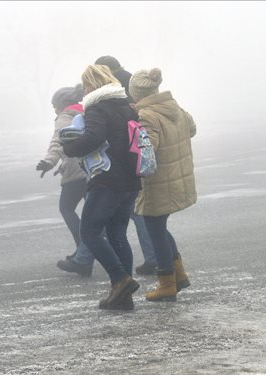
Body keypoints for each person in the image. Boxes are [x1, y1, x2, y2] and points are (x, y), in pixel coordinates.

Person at [62, 65, 141, 310]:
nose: (84, 90)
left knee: (90, 232)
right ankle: (123, 297)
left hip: (106, 179)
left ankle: (120, 280)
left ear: (93, 85)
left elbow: (94, 137)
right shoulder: (126, 106)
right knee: (117, 235)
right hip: (130, 179)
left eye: (86, 85)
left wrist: (70, 148)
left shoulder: (97, 107)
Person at [128, 68, 197, 302]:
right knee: (159, 227)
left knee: (154, 228)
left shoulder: (146, 114)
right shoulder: (173, 106)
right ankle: (179, 275)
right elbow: (193, 128)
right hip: (177, 176)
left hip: (157, 183)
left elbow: (149, 149)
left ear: (135, 93)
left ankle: (167, 283)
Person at [94, 55, 157, 275]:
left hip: (124, 163)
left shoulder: (114, 88)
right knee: (135, 214)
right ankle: (154, 257)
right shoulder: (130, 82)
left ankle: (151, 259)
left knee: (131, 216)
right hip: (134, 162)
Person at [36, 84, 94, 277]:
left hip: (76, 174)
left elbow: (58, 141)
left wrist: (49, 161)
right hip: (92, 169)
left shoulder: (64, 117)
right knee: (93, 214)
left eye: (55, 105)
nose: (54, 109)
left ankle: (83, 249)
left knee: (66, 208)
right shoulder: (86, 112)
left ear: (62, 104)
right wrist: (62, 165)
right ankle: (84, 252)